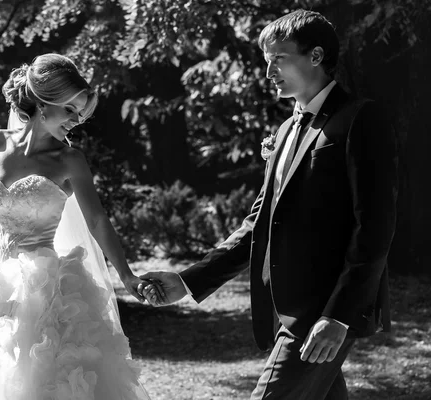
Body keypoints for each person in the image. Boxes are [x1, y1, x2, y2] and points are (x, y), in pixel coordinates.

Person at [140, 9, 398, 400]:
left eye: (278, 59)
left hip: (322, 311)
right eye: (266, 62)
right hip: (284, 306)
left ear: (315, 56)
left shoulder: (360, 119)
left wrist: (339, 316)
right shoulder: (284, 129)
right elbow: (260, 223)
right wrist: (188, 280)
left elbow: (375, 227)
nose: (268, 72)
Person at [0, 54, 152, 400]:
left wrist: (128, 277)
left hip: (42, 289)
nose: (76, 121)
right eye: (69, 110)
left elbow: (97, 220)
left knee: (31, 378)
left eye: (80, 113)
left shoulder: (69, 160)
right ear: (43, 102)